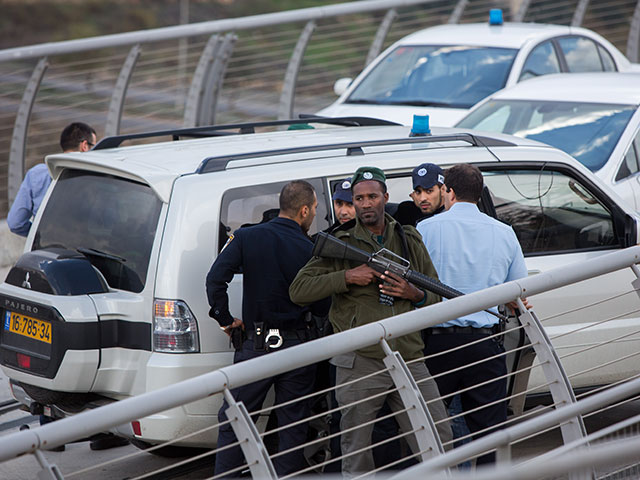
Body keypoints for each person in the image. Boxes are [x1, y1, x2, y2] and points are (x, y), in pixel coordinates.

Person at [290, 166, 452, 477]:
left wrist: (413, 293)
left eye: (372, 197)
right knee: (357, 451)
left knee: (437, 437)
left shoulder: (408, 238)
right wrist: (348, 276)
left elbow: (436, 296)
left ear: (385, 198)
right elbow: (299, 291)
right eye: (359, 198)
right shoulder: (340, 242)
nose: (365, 203)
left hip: (408, 355)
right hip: (360, 360)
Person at [206, 180, 329, 477]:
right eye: (313, 209)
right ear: (303, 210)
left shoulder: (247, 237)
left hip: (256, 343)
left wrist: (225, 319)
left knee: (237, 417)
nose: (313, 215)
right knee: (293, 422)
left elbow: (215, 279)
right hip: (298, 346)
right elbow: (322, 306)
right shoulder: (310, 248)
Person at [416, 163, 528, 465]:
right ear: (479, 195)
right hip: (485, 346)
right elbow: (519, 291)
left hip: (437, 346)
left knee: (428, 433)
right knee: (489, 437)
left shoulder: (425, 229)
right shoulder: (504, 232)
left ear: (448, 192)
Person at [7, 122, 97, 237]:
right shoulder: (93, 178)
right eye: (94, 147)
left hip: (44, 250)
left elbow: (15, 223)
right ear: (84, 146)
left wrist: (41, 236)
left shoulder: (36, 174)